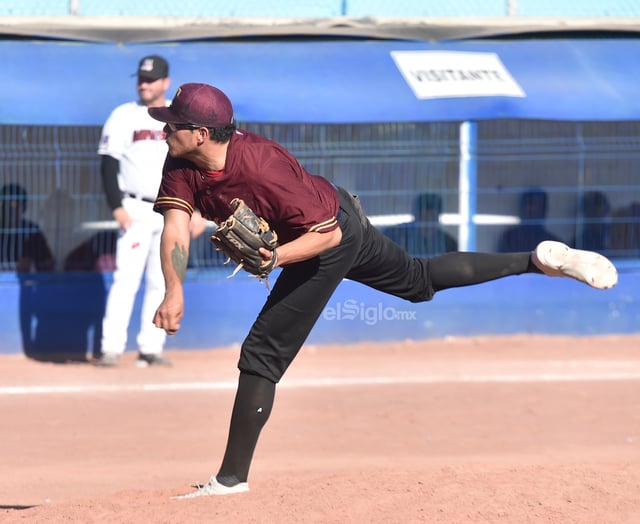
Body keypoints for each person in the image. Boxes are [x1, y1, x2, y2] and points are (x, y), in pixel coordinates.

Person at [148, 83, 618, 496]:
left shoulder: (263, 168)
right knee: (417, 280)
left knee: (263, 352)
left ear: (202, 133)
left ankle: (231, 480)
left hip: (328, 235)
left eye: (173, 124)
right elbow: (174, 228)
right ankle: (537, 262)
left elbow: (326, 236)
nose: (165, 130)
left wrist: (274, 259)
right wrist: (174, 291)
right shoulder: (182, 160)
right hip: (333, 212)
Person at [93, 55, 175, 368]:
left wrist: (195, 211)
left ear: (165, 82)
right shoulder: (124, 116)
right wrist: (116, 206)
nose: (144, 84)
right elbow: (108, 162)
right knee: (126, 279)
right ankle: (111, 347)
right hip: (135, 207)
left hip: (170, 210)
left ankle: (151, 346)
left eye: (151, 79)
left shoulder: (177, 116)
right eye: (141, 78)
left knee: (162, 280)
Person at [0, 183, 55, 273]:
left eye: (13, 204)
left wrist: (32, 265)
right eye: (2, 204)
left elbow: (49, 263)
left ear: (24, 207)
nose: (7, 208)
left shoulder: (32, 231)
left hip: (25, 283)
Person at [383, 192, 457, 255]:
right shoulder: (394, 236)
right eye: (424, 218)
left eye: (432, 219)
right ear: (415, 217)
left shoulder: (448, 243)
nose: (427, 224)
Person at [497, 188, 561, 252]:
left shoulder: (554, 244)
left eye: (540, 207)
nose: (535, 211)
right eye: (531, 207)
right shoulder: (510, 238)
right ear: (523, 208)